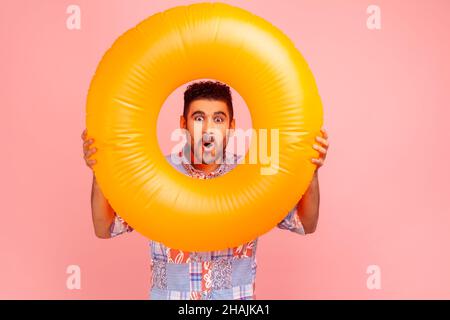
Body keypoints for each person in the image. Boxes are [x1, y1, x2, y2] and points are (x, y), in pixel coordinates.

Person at [82, 80, 329, 300]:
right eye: (199, 118)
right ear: (183, 124)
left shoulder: (253, 176)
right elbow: (105, 228)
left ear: (231, 126)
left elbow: (305, 224)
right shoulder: (155, 175)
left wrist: (311, 171)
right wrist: (100, 170)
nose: (208, 128)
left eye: (218, 119)